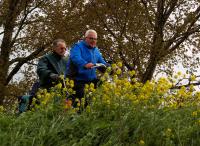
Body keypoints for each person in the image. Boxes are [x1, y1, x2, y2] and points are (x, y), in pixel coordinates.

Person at [66, 29, 108, 107]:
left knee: (105, 89)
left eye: (95, 39)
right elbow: (75, 58)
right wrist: (84, 64)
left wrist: (110, 68)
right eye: (91, 38)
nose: (93, 41)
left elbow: (102, 63)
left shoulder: (96, 51)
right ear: (85, 38)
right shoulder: (77, 47)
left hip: (91, 81)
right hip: (77, 80)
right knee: (82, 101)